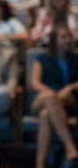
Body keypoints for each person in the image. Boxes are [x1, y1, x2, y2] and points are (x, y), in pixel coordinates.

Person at [30, 26, 78, 167]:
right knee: (49, 98)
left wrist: (70, 87)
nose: (67, 40)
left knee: (46, 115)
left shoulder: (75, 58)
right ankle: (70, 146)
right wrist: (54, 94)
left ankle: (40, 165)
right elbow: (35, 83)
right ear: (53, 40)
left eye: (68, 37)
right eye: (63, 37)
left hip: (67, 102)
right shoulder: (42, 59)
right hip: (40, 100)